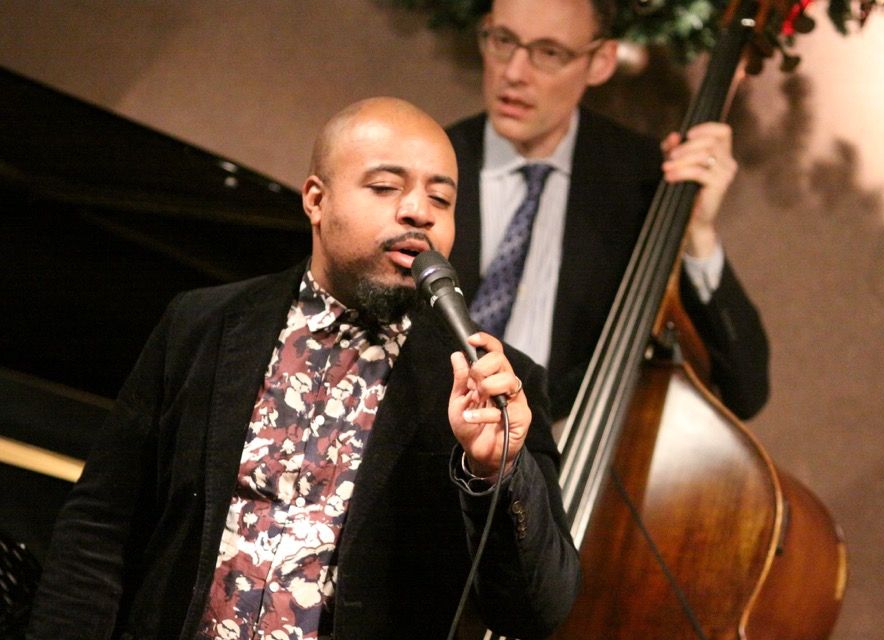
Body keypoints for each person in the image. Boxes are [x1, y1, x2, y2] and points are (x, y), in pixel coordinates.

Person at [26, 98, 579, 640]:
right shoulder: (202, 324)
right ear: (316, 199)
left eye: (441, 197)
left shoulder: (493, 380)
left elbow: (538, 611)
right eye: (385, 187)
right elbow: (99, 525)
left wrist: (497, 471)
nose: (419, 212)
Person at [447, 0, 770, 420]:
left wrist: (699, 237)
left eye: (549, 52)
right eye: (503, 41)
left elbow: (745, 389)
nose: (514, 72)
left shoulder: (643, 179)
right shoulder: (432, 161)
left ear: (600, 62)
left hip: (556, 452)